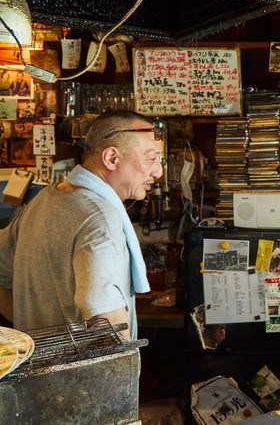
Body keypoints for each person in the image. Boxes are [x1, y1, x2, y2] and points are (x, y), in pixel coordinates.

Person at [0, 110, 163, 340]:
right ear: (111, 158)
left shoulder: (43, 199)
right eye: (151, 158)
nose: (158, 171)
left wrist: (35, 335)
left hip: (36, 371)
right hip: (82, 375)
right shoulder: (99, 217)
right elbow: (106, 320)